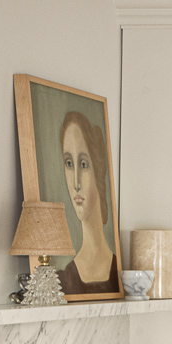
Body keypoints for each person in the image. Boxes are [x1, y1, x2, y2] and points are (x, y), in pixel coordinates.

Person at [58, 109, 119, 295]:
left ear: (98, 169)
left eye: (83, 164)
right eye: (69, 164)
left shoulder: (119, 274)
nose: (75, 183)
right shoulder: (63, 280)